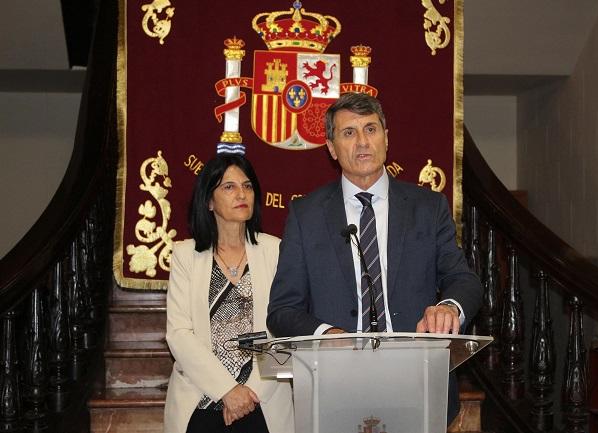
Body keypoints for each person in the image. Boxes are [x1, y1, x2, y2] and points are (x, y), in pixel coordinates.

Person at [266, 92, 483, 424]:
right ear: (331, 147)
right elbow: (282, 311)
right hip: (334, 385)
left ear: (386, 138)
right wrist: (325, 335)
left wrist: (449, 307)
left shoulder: (427, 207)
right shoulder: (305, 215)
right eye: (348, 133)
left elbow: (462, 279)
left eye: (371, 129)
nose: (362, 141)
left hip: (416, 380)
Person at [164, 154, 294, 433]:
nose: (241, 194)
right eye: (229, 187)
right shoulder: (185, 255)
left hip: (262, 400)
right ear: (209, 201)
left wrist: (249, 393)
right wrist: (228, 391)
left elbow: (285, 327)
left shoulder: (276, 251)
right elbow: (179, 334)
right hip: (202, 400)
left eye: (247, 186)